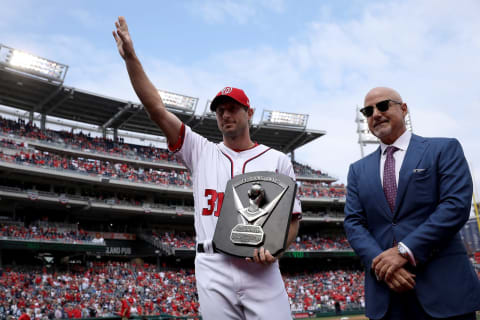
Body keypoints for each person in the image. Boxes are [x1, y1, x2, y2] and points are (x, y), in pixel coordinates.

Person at [113, 16, 302, 319]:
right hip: (213, 266)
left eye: (233, 108)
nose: (225, 115)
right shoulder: (200, 151)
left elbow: (292, 220)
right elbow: (156, 110)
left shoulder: (277, 159)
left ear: (248, 112)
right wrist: (132, 59)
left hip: (260, 268)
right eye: (220, 110)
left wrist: (277, 249)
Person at [344, 87, 480, 320]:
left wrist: (404, 251)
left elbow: (455, 205)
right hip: (386, 295)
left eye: (383, 106)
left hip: (444, 290)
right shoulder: (357, 170)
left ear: (404, 109)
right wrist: (383, 266)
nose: (375, 114)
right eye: (368, 111)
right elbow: (354, 224)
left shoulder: (443, 149)